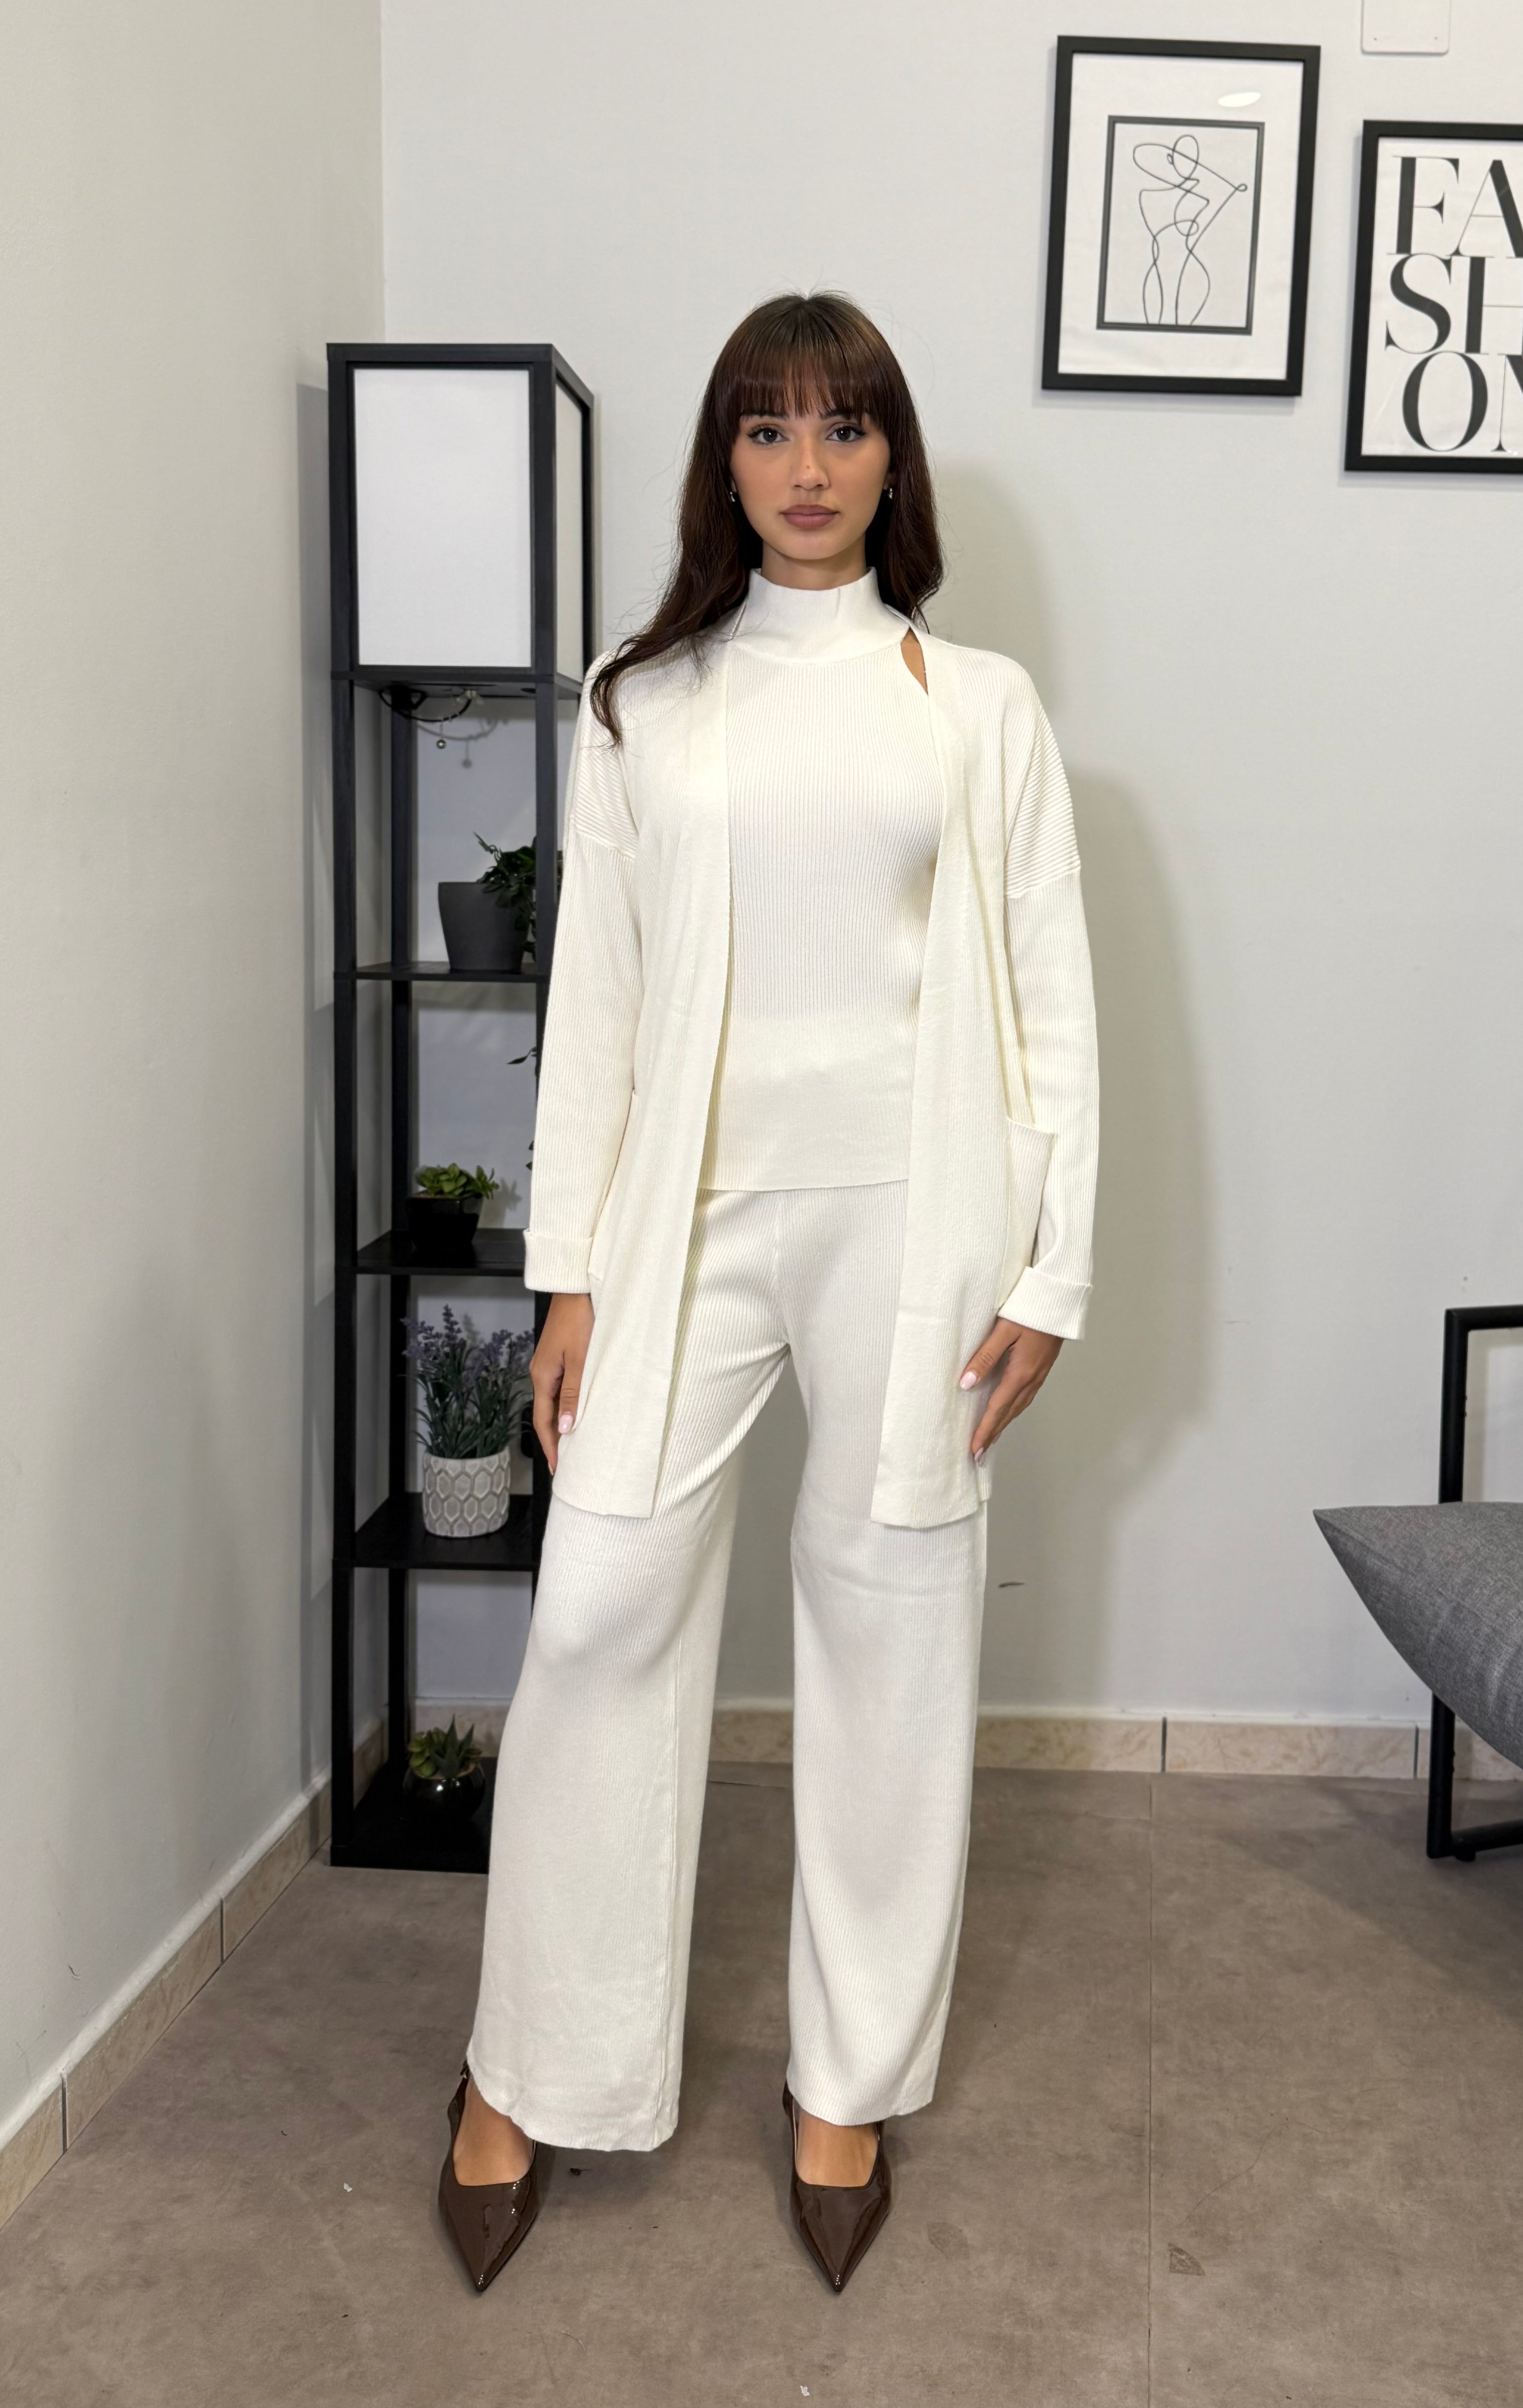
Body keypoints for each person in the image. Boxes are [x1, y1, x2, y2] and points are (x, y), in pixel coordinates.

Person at [436, 291, 1099, 2295]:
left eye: (844, 427)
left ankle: (847, 2081)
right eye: (765, 429)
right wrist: (568, 1269)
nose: (807, 468)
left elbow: (1051, 1002)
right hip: (687, 1215)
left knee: (889, 1628)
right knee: (601, 1605)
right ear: (721, 466)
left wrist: (1052, 1269)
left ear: (894, 460)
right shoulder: (641, 701)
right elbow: (598, 1001)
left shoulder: (976, 706)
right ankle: (531, 2065)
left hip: (919, 1214)